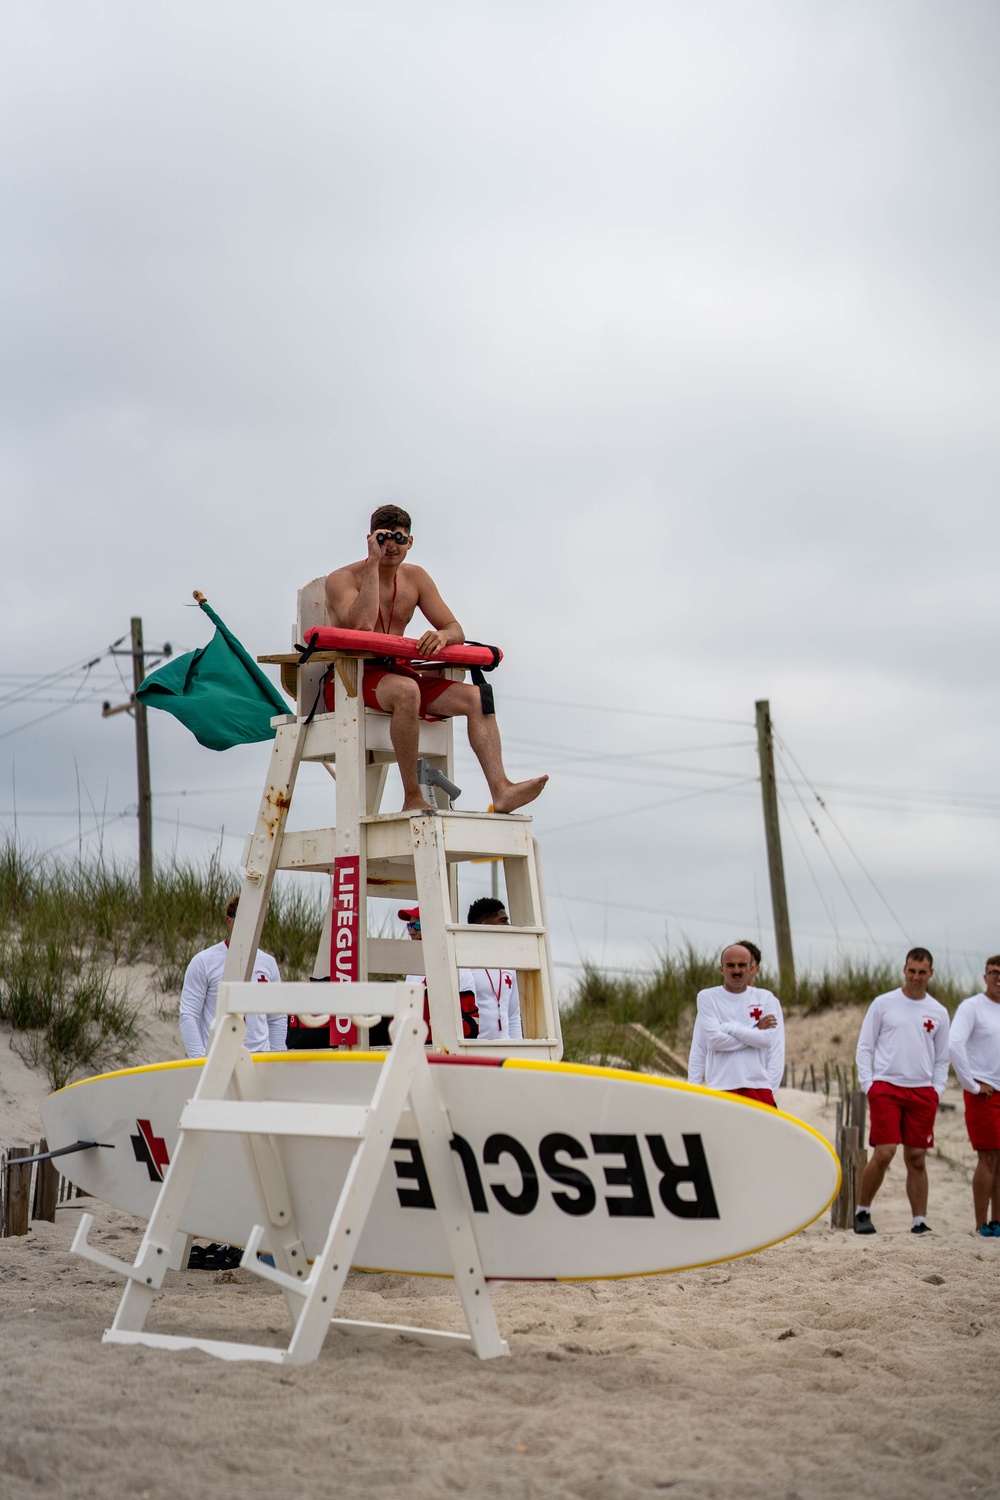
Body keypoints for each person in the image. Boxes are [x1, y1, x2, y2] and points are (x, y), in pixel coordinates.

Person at [325, 506, 547, 814]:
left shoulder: (416, 578)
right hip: (352, 679)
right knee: (407, 691)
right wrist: (374, 564)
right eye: (384, 538)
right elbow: (362, 625)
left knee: (476, 697)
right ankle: (411, 796)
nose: (392, 546)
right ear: (371, 540)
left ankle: (502, 790)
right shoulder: (342, 579)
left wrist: (442, 637)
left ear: (410, 541)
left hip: (399, 674)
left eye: (399, 538)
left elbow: (455, 628)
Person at [854, 947, 949, 1235]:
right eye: (912, 971)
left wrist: (937, 1091)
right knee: (884, 1152)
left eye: (922, 972)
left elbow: (942, 1058)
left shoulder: (939, 1011)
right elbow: (865, 1047)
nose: (916, 977)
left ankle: (919, 1220)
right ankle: (862, 1213)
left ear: (930, 973)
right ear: (904, 970)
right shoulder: (883, 1004)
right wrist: (868, 1085)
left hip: (922, 1091)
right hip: (886, 1086)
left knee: (917, 1156)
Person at [179, 895, 286, 1059]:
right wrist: (198, 1059)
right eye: (242, 919)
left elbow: (276, 1018)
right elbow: (189, 1014)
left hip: (261, 1058)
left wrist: (277, 1058)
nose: (249, 925)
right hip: (218, 1059)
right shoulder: (204, 961)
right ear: (229, 921)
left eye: (255, 920)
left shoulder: (268, 963)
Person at [687, 942, 783, 1106]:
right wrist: (755, 1030)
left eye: (742, 965)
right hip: (720, 1088)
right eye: (731, 965)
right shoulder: (708, 998)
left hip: (759, 1089)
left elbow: (771, 1044)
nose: (736, 970)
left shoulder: (766, 998)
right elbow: (708, 1044)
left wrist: (728, 1028)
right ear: (722, 969)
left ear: (752, 968)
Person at [949, 956, 1000, 1237]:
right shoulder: (972, 1007)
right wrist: (971, 1083)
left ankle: (998, 1222)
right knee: (988, 1157)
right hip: (985, 1093)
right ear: (985, 977)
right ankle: (981, 1225)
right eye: (994, 973)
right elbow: (954, 1044)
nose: (998, 978)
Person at [396, 905, 480, 1041]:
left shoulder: (459, 969)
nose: (411, 932)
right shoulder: (412, 969)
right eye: (409, 926)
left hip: (448, 1050)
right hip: (417, 1045)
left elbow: (468, 1024)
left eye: (417, 925)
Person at [461, 897, 522, 1041]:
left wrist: (518, 1049)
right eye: (503, 921)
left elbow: (513, 1015)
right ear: (485, 925)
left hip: (505, 1050)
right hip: (476, 1050)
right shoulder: (464, 964)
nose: (508, 925)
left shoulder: (509, 964)